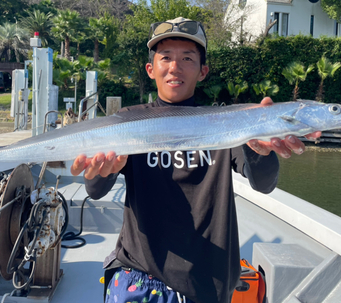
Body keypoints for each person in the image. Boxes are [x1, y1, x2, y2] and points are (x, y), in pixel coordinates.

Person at [71, 17, 321, 303]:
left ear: (203, 71)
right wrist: (100, 171)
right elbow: (95, 190)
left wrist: (260, 150)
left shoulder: (225, 123)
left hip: (208, 284)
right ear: (151, 69)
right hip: (138, 274)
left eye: (187, 58)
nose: (175, 67)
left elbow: (264, 184)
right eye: (166, 57)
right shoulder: (130, 120)